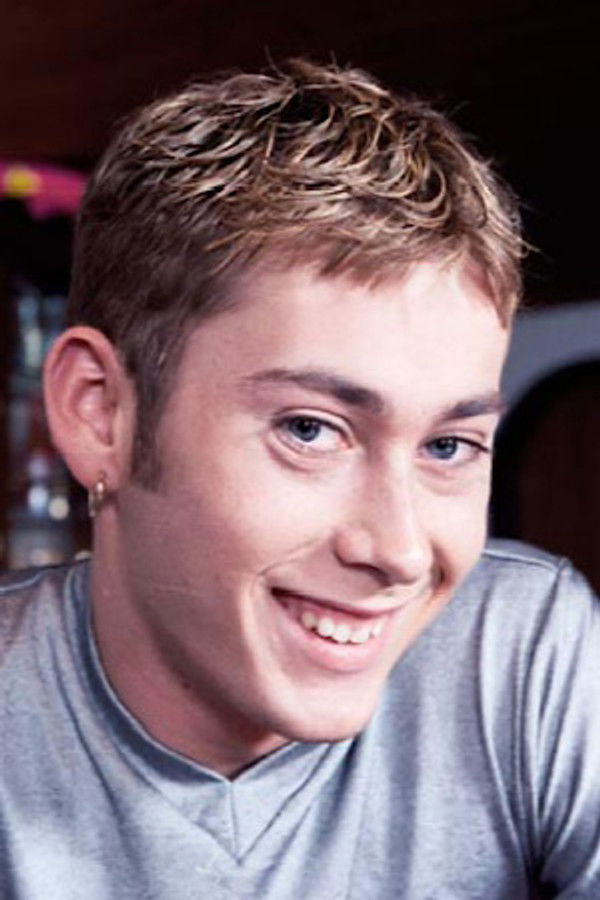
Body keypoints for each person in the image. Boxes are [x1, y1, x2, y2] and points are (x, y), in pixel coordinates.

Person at [1, 59, 599, 899]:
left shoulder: (522, 651)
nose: (398, 551)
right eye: (310, 430)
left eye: (448, 446)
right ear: (101, 413)